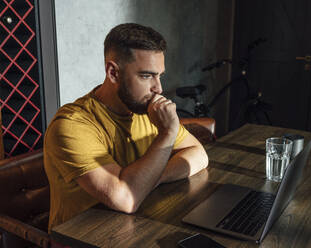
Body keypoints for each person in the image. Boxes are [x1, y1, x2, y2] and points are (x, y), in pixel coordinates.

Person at [43, 23, 208, 232]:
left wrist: (152, 179)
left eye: (160, 75)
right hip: (82, 239)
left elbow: (199, 155)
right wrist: (167, 134)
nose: (159, 88)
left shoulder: (146, 108)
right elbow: (127, 198)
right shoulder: (72, 125)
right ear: (113, 73)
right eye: (147, 76)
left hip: (132, 229)